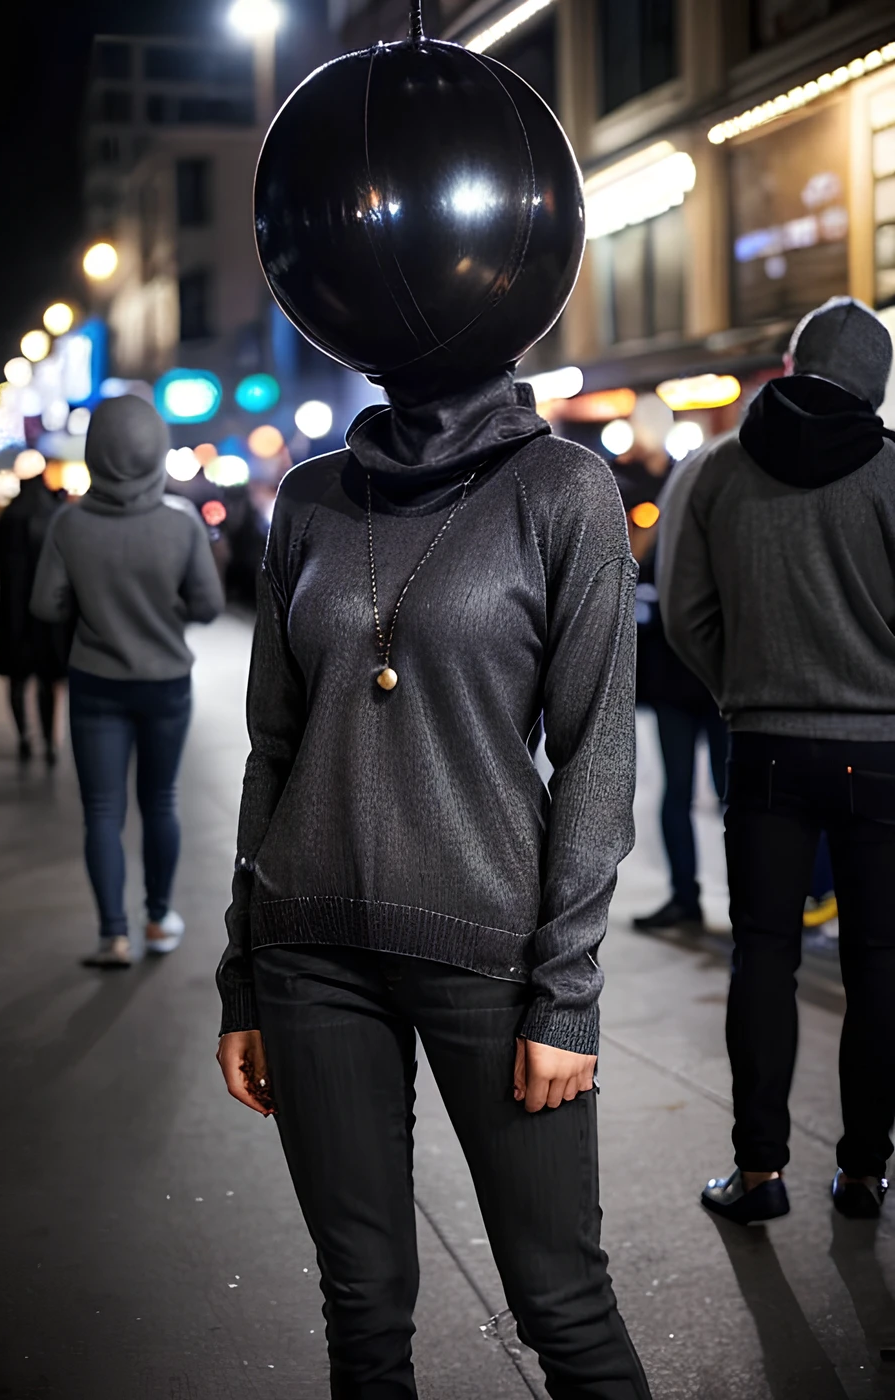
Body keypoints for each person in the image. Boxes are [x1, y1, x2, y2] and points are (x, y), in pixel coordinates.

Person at [216, 16, 652, 1399]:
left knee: (562, 1310)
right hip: (310, 955)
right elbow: (271, 746)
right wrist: (243, 967)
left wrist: (565, 998)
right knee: (363, 1315)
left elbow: (594, 756)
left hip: (489, 956)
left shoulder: (563, 491)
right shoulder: (310, 498)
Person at [657, 296, 895, 1224]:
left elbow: (682, 611)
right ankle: (865, 1173)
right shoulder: (889, 473)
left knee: (763, 957)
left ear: (791, 365)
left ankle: (758, 1175)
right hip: (879, 752)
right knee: (879, 962)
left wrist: (744, 685)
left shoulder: (716, 471)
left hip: (763, 746)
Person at [32, 395, 224, 968]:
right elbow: (209, 606)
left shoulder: (70, 523)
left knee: (103, 811)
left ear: (95, 452)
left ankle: (112, 934)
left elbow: (45, 604)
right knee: (160, 801)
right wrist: (163, 611)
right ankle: (160, 919)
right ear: (156, 450)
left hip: (96, 681)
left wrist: (94, 605)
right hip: (165, 681)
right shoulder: (180, 522)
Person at [617, 449, 727, 932]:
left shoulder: (665, 541)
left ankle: (689, 898)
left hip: (695, 688)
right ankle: (694, 898)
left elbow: (653, 614)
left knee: (696, 795)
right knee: (715, 796)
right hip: (711, 688)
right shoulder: (718, 534)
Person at [0, 465, 70, 761]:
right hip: (49, 609)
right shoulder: (56, 514)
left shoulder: (10, 514)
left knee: (17, 678)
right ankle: (51, 741)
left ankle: (24, 735)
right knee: (49, 679)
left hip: (14, 609)